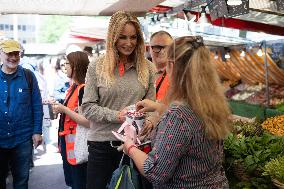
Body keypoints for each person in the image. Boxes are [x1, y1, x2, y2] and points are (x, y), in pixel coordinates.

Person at [123, 36, 231, 189]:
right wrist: (157, 106)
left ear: (172, 66)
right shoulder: (213, 104)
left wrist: (130, 147)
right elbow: (191, 121)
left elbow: (155, 172)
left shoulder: (177, 115)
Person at [81, 11, 156, 189]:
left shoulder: (148, 68)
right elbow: (87, 107)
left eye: (133, 37)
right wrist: (118, 116)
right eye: (122, 37)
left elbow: (152, 107)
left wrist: (150, 122)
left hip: (136, 148)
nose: (129, 43)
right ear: (112, 37)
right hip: (101, 147)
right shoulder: (97, 66)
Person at [0, 39, 43, 189]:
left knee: (21, 181)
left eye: (16, 54)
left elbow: (37, 105)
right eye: (9, 53)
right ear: (1, 54)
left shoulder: (28, 76)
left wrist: (37, 131)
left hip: (22, 139)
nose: (13, 57)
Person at [52, 51, 90, 189]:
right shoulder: (73, 87)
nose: (65, 67)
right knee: (73, 182)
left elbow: (88, 121)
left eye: (67, 63)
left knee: (79, 182)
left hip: (79, 146)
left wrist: (64, 109)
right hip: (70, 145)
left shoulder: (83, 89)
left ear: (76, 66)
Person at [149, 31, 173, 101]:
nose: (162, 51)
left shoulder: (179, 76)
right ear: (149, 49)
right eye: (157, 47)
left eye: (167, 47)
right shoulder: (141, 72)